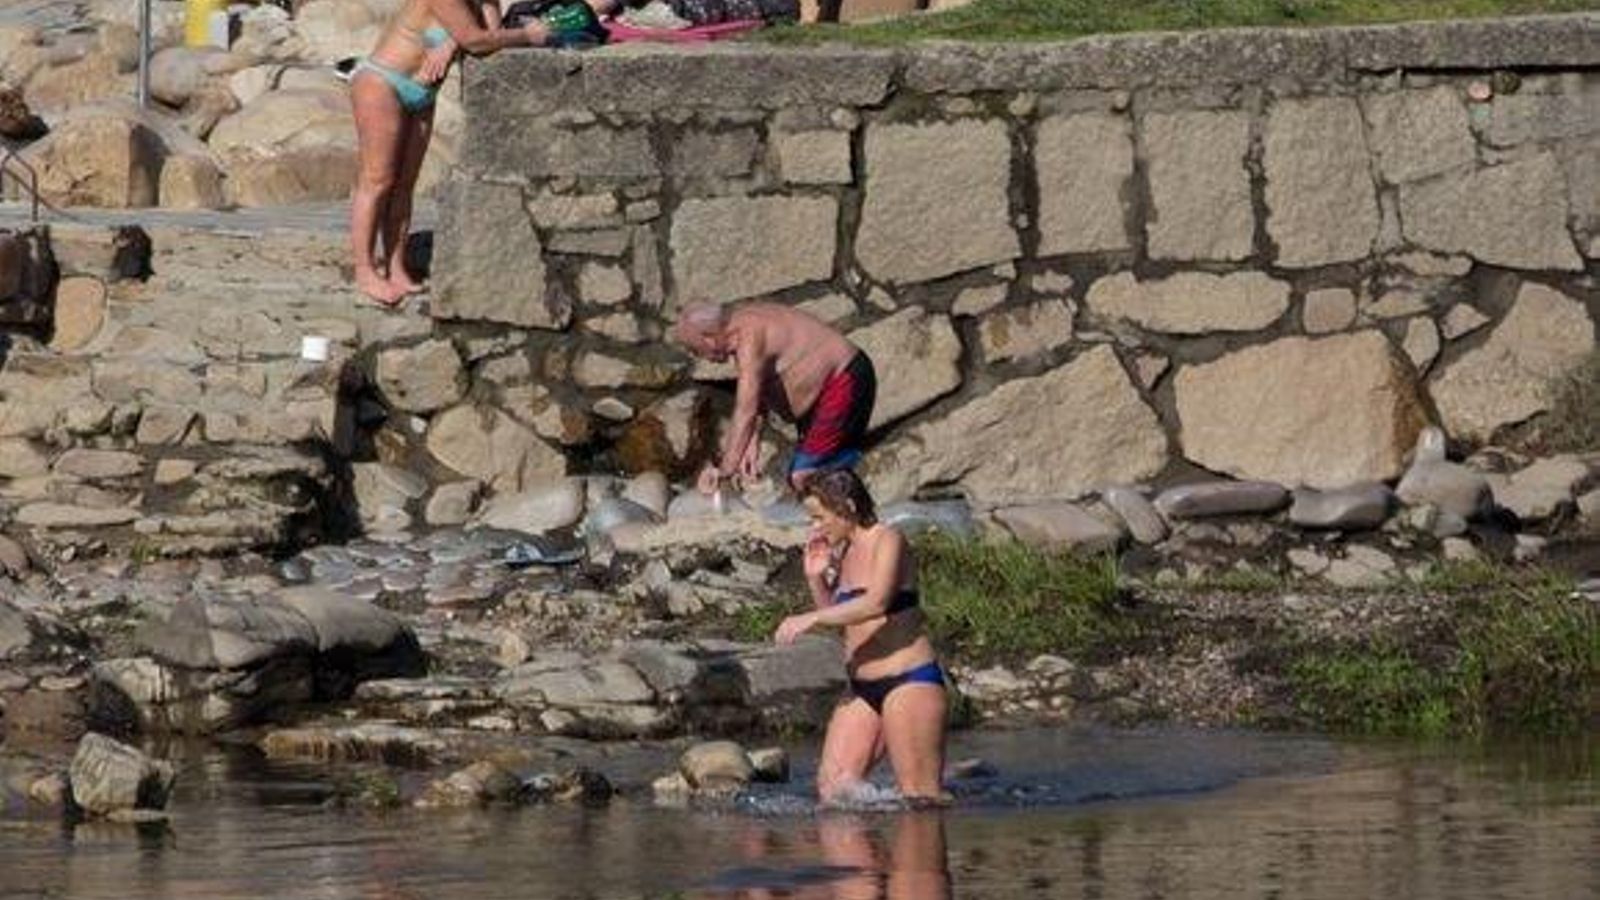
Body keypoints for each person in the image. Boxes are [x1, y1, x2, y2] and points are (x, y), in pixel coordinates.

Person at [348, 0, 608, 306]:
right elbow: (477, 40)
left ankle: (396, 267)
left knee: (405, 185)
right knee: (378, 181)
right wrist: (529, 34)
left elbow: (490, 35)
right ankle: (365, 271)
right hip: (384, 84)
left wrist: (451, 43)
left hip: (422, 94)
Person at [774, 468, 947, 806]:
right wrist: (816, 580)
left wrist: (811, 617)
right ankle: (865, 860)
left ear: (848, 507)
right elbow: (844, 621)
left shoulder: (888, 539)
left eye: (819, 518)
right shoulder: (844, 553)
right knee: (834, 792)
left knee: (920, 799)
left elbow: (877, 603)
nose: (815, 527)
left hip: (907, 681)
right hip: (861, 689)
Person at [672, 301, 876, 493]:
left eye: (695, 349)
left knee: (803, 475)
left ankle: (864, 485)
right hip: (822, 396)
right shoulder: (741, 327)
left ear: (709, 338)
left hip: (843, 380)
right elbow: (757, 389)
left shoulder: (750, 336)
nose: (698, 356)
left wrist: (725, 470)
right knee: (812, 476)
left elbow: (746, 410)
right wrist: (751, 439)